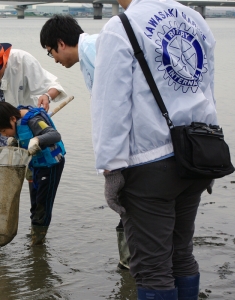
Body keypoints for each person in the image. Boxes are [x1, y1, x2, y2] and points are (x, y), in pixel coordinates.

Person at [91, 0, 215, 299]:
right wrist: (209, 157)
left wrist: (110, 168)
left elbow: (111, 105)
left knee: (151, 268)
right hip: (197, 154)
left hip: (149, 164)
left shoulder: (120, 27)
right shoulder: (195, 19)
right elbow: (206, 89)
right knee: (181, 254)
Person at [39, 14, 131, 271]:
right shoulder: (92, 50)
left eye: (50, 53)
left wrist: (110, 167)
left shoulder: (95, 52)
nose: (54, 60)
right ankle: (131, 272)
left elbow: (112, 108)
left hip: (134, 152)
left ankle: (134, 270)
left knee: (132, 213)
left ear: (61, 43)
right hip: (139, 148)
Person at [0, 42, 68, 218]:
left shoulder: (22, 61)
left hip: (25, 127)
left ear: (5, 62)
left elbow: (52, 85)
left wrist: (46, 96)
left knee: (32, 171)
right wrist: (0, 129)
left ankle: (38, 218)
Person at [0, 101, 65, 246]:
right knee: (35, 203)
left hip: (51, 164)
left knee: (43, 204)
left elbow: (54, 135)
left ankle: (38, 241)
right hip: (36, 166)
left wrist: (38, 139)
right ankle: (36, 235)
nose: (3, 134)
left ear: (12, 119)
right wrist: (14, 141)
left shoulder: (33, 120)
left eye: (3, 130)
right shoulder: (16, 121)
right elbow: (21, 137)